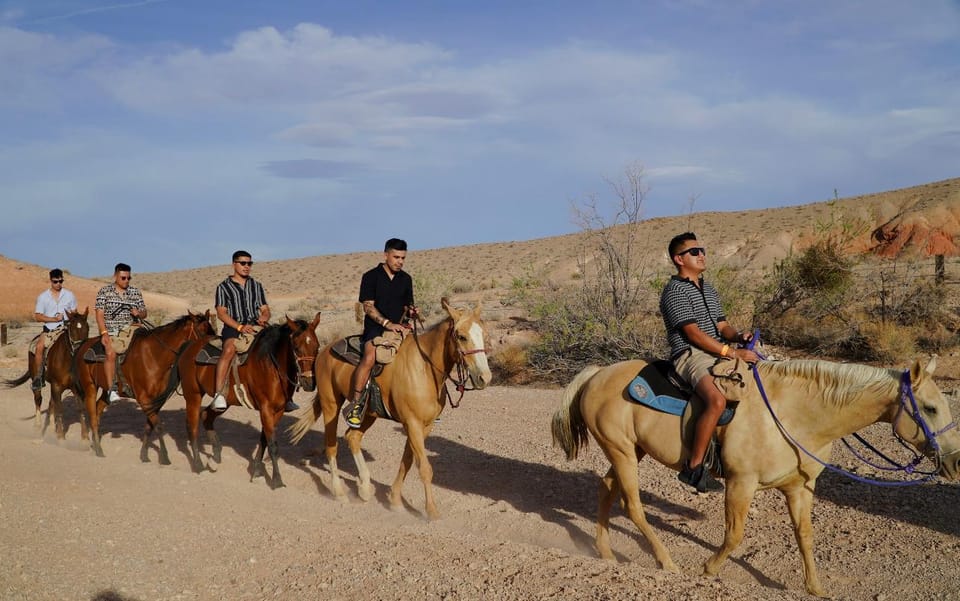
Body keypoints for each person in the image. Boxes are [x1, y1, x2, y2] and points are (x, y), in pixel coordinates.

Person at [660, 232, 761, 493]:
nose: (701, 254)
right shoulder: (674, 291)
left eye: (702, 250)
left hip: (716, 351)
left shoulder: (708, 288)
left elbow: (722, 325)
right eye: (694, 252)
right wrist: (732, 353)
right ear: (678, 259)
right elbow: (692, 334)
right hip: (690, 354)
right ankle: (693, 467)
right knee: (716, 400)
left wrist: (739, 336)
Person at [209, 250, 297, 412]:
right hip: (233, 328)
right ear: (234, 264)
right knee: (228, 349)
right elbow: (221, 313)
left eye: (249, 263)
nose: (246, 267)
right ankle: (219, 394)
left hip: (257, 327)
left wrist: (264, 316)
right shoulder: (223, 287)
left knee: (282, 347)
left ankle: (288, 396)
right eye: (243, 263)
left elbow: (265, 309)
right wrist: (239, 327)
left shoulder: (256, 286)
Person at [343, 238, 417, 428]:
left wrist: (412, 312)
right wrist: (387, 323)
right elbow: (368, 307)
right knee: (369, 358)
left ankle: (416, 403)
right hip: (375, 328)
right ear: (386, 255)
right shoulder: (371, 276)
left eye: (403, 258)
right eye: (396, 257)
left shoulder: (406, 279)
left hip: (400, 329)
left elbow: (409, 305)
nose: (400, 261)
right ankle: (357, 404)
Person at [95, 263, 147, 404]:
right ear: (115, 276)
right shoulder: (104, 292)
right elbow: (99, 314)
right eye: (123, 278)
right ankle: (111, 390)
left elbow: (144, 313)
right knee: (110, 352)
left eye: (128, 278)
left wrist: (139, 313)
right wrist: (104, 333)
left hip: (132, 328)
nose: (126, 281)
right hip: (112, 330)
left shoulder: (135, 292)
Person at [32, 268, 79, 390]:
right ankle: (38, 377)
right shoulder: (43, 297)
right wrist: (54, 319)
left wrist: (71, 315)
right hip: (50, 329)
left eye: (60, 281)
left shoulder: (69, 295)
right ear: (50, 281)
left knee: (79, 345)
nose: (58, 284)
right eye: (55, 282)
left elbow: (75, 311)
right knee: (39, 348)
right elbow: (37, 316)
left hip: (66, 329)